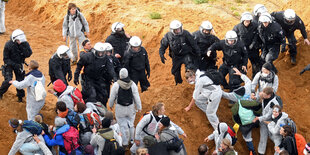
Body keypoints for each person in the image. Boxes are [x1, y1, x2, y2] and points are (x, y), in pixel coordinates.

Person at [159, 20, 201, 85]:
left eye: (179, 29)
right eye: (176, 30)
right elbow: (163, 45)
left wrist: (198, 53)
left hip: (186, 54)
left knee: (190, 66)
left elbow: (193, 44)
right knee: (175, 71)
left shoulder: (186, 33)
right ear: (172, 30)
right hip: (176, 56)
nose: (178, 31)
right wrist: (161, 53)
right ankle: (179, 83)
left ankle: (191, 80)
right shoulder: (168, 36)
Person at [109, 68, 142, 147]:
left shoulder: (116, 85)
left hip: (120, 108)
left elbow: (112, 96)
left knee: (122, 126)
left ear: (120, 75)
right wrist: (139, 107)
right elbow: (136, 96)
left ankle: (124, 143)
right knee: (131, 124)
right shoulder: (132, 84)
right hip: (130, 107)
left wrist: (110, 105)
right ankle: (131, 140)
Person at [0, 29, 32, 101]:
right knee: (8, 81)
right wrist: (14, 65)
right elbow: (6, 59)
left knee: (20, 81)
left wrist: (22, 48)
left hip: (20, 64)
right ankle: (0, 92)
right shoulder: (8, 45)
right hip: (9, 65)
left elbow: (29, 53)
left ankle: (20, 96)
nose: (20, 42)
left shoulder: (24, 43)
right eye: (18, 41)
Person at [252, 87, 280, 155]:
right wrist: (255, 96)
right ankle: (261, 152)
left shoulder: (274, 103)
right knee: (263, 136)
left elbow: (268, 115)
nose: (263, 96)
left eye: (264, 95)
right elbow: (259, 96)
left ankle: (280, 148)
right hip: (263, 122)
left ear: (269, 95)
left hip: (270, 122)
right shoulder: (264, 96)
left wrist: (259, 118)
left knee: (272, 136)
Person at [233, 12, 261, 78]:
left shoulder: (255, 25)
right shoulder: (237, 27)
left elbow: (258, 35)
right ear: (243, 20)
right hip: (242, 49)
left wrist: (253, 44)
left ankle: (255, 75)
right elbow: (234, 38)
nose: (247, 22)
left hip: (253, 48)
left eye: (248, 21)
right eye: (246, 21)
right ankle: (241, 77)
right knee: (242, 63)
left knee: (255, 62)